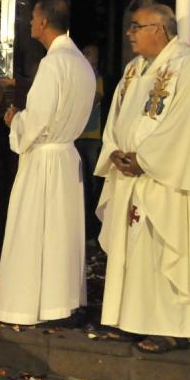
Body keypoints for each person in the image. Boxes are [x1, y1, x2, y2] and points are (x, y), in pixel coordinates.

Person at [95, 3, 190, 353]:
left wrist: (146, 160)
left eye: (136, 26)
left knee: (163, 251)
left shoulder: (188, 66)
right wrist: (115, 152)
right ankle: (134, 320)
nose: (130, 33)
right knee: (135, 253)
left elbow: (186, 126)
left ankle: (171, 329)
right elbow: (116, 119)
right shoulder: (134, 69)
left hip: (169, 180)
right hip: (131, 176)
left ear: (160, 29)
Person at [0, 0, 96, 324]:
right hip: (66, 155)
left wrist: (15, 120)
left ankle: (30, 304)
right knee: (60, 233)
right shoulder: (80, 62)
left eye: (33, 18)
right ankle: (60, 301)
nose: (29, 24)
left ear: (43, 22)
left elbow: (38, 118)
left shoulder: (53, 64)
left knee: (35, 230)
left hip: (45, 159)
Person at [77, 43, 105, 242]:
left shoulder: (96, 77)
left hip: (92, 136)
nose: (85, 56)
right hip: (78, 135)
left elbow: (95, 97)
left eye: (89, 54)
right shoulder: (79, 76)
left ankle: (94, 227)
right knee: (82, 182)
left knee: (93, 182)